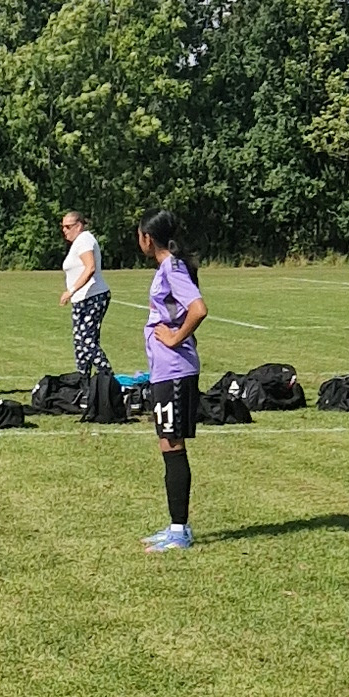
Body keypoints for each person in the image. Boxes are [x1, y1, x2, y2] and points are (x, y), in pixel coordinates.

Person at [137, 208, 203, 552]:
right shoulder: (167, 267)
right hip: (165, 371)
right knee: (168, 444)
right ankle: (176, 525)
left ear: (148, 238)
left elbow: (198, 308)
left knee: (173, 445)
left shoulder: (173, 268)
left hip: (176, 370)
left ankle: (180, 530)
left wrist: (175, 339)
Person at [61, 209, 109, 384]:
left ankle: (108, 378)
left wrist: (71, 290)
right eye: (63, 227)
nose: (64, 230)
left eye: (68, 226)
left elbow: (90, 267)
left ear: (78, 226)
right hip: (81, 300)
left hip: (93, 297)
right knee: (80, 345)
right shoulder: (78, 243)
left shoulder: (84, 240)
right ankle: (84, 384)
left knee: (88, 343)